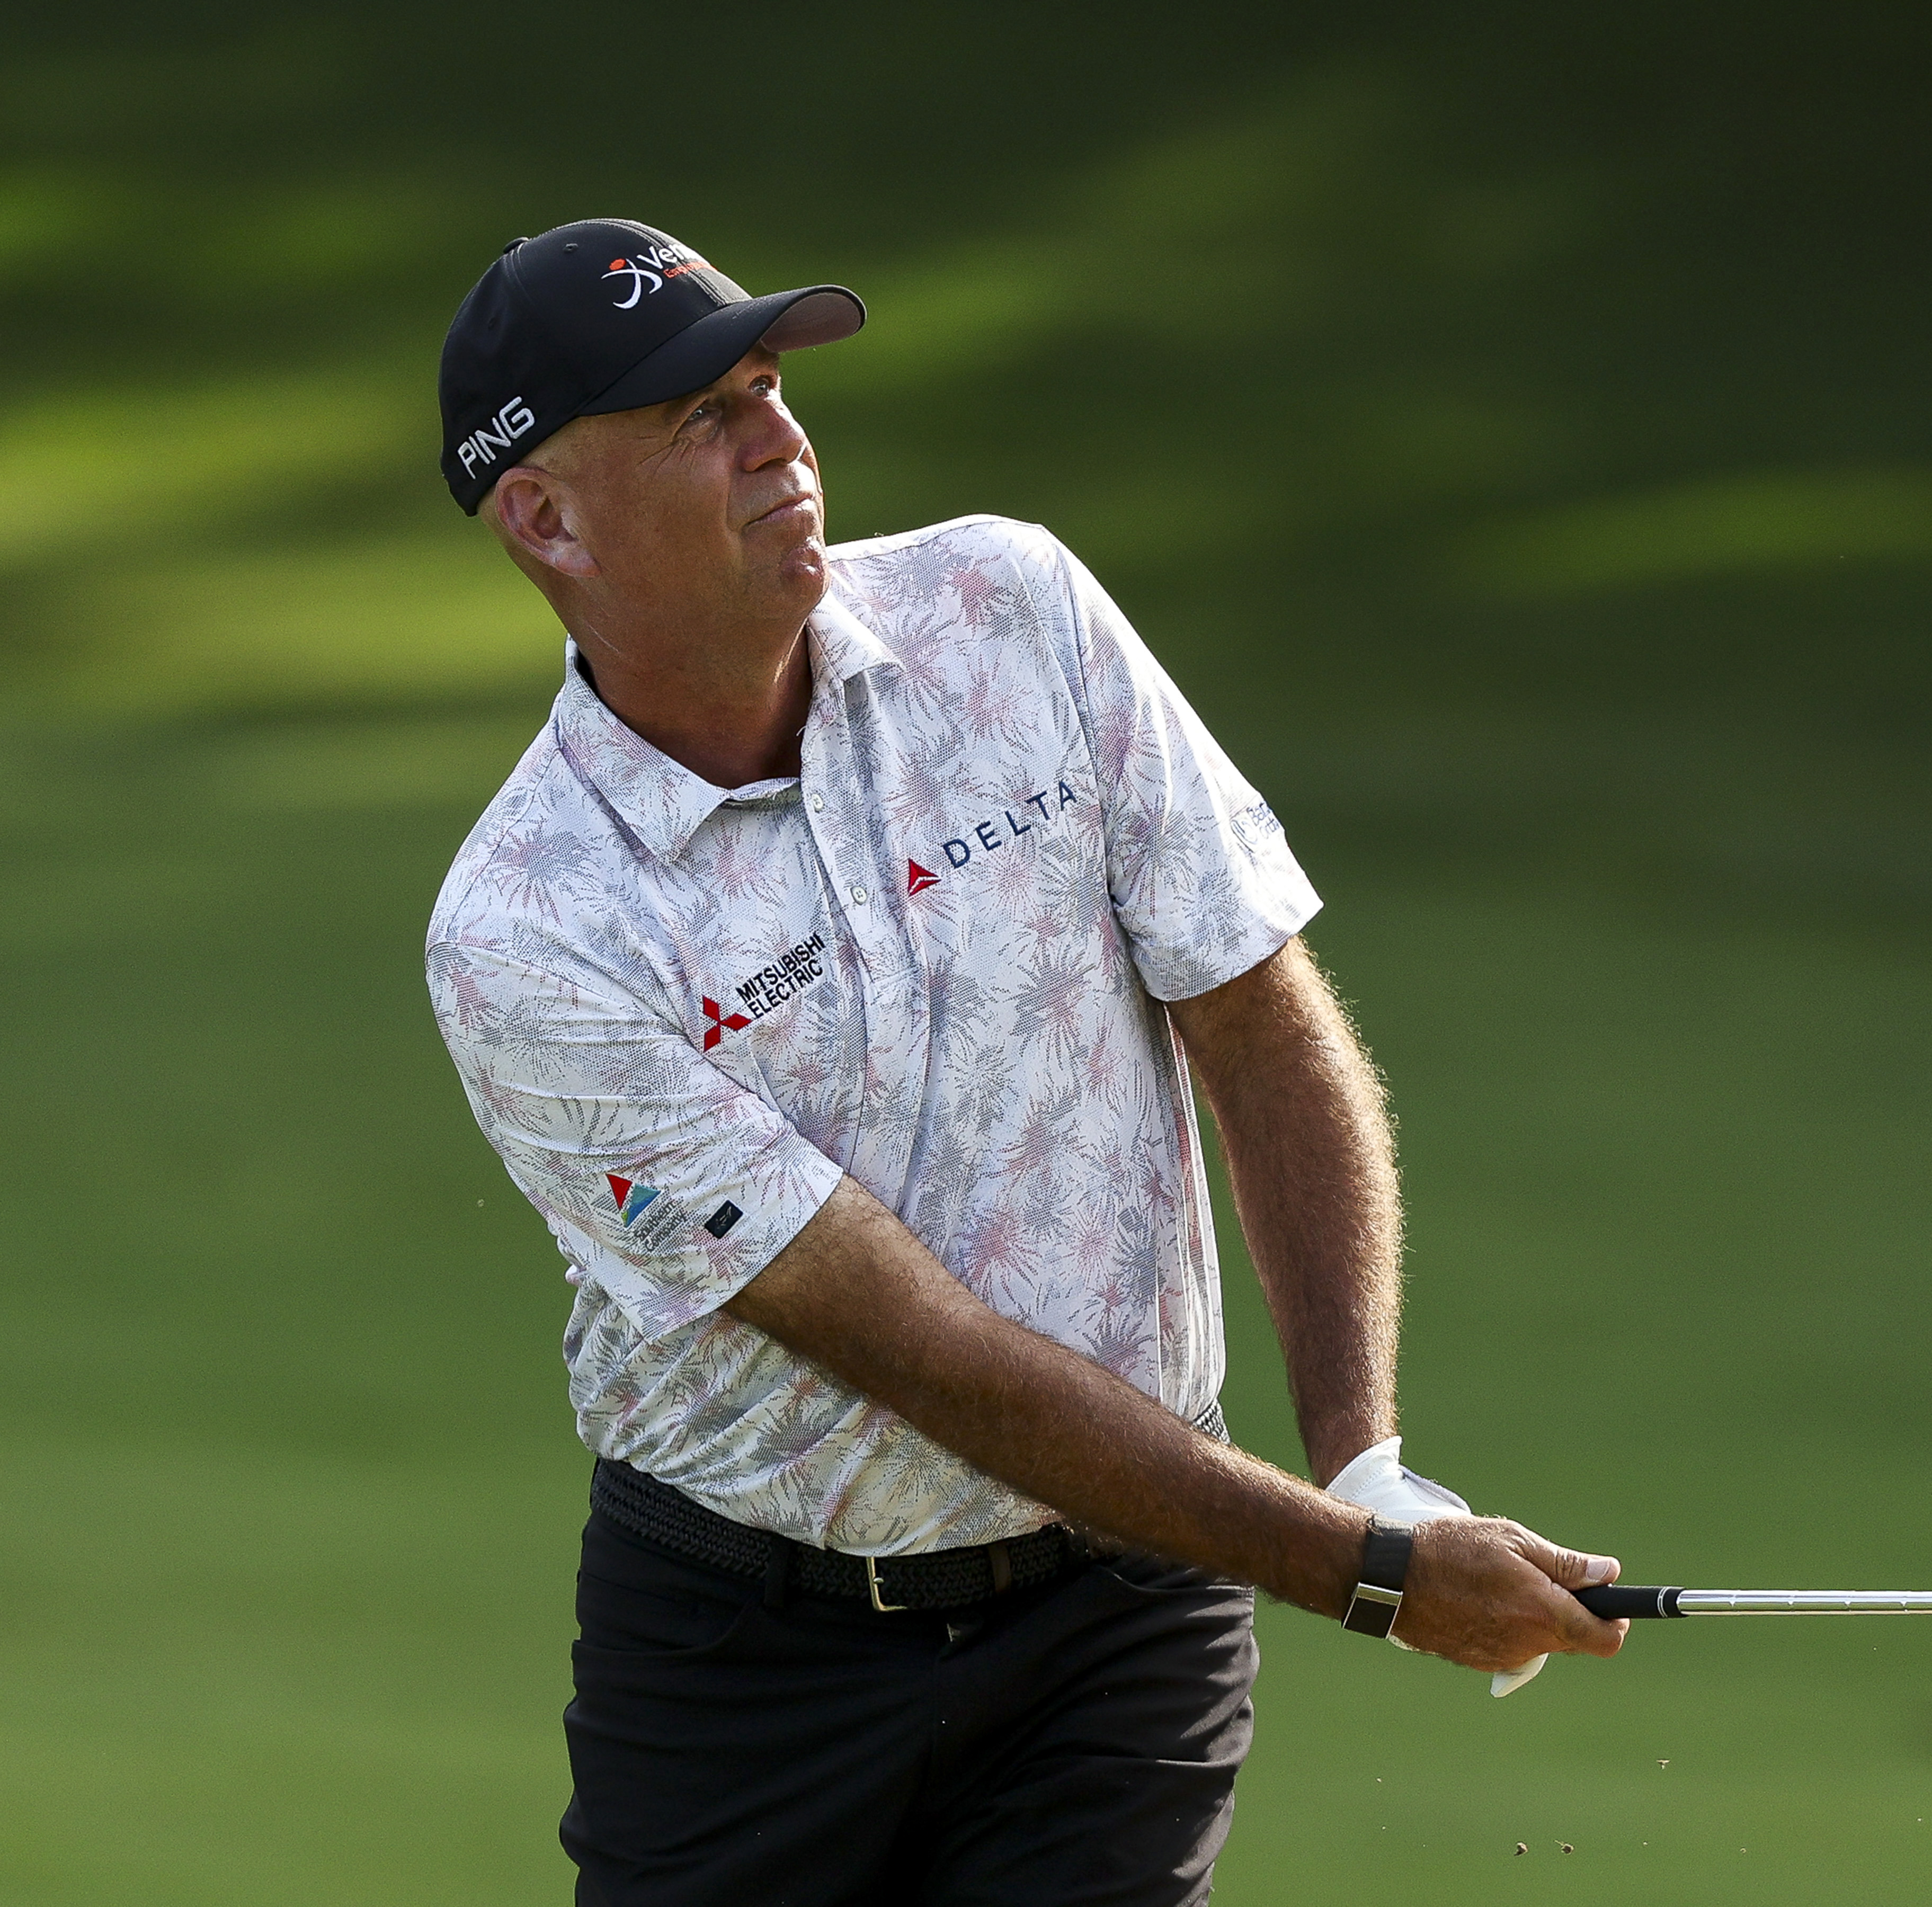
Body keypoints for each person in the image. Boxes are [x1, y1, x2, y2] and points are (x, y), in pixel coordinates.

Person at [423, 219, 1626, 1906]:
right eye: (698, 416)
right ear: (543, 518)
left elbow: (1257, 1016)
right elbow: (914, 1347)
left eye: (766, 385)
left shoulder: (1016, 613)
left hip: (1122, 1625)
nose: (778, 435)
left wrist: (1362, 1461)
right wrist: (1358, 1572)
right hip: (749, 1659)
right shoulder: (534, 931)